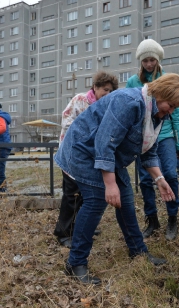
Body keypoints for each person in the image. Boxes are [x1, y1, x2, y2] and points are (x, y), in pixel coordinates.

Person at [54, 73, 179, 284]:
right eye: (170, 105)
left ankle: (138, 251)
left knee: (125, 199)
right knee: (96, 199)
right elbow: (104, 141)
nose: (170, 112)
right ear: (160, 94)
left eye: (174, 108)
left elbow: (148, 152)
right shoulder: (130, 102)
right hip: (83, 150)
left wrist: (160, 179)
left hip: (109, 156)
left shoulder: (156, 114)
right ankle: (76, 263)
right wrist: (109, 184)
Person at [126, 39, 179, 241]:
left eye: (152, 60)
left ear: (158, 60)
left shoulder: (167, 79)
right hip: (143, 137)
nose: (149, 64)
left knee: (169, 173)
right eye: (145, 61)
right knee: (145, 179)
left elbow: (176, 112)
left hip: (166, 134)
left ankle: (172, 217)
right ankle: (152, 219)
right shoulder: (133, 82)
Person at [54, 71, 118, 248]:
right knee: (71, 194)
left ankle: (79, 226)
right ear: (95, 87)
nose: (108, 93)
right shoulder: (80, 100)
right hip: (72, 153)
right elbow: (67, 122)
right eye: (105, 89)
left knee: (85, 194)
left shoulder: (108, 106)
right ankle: (63, 232)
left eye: (111, 91)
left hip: (90, 156)